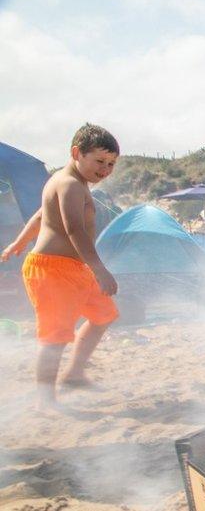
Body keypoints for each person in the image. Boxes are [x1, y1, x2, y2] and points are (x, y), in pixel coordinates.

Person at [1, 124, 120, 410]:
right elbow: (73, 229)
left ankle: (75, 374)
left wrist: (18, 242)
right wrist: (100, 269)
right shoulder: (68, 184)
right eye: (99, 161)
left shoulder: (70, 182)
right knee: (54, 335)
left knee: (103, 316)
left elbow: (41, 215)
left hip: (75, 269)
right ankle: (45, 399)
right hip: (52, 270)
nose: (105, 169)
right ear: (76, 152)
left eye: (111, 164)